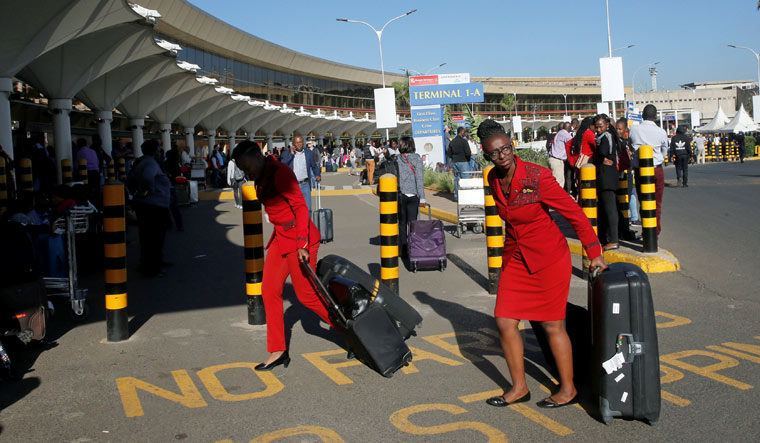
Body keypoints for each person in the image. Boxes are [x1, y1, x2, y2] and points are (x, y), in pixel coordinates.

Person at [476, 119, 607, 409]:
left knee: (552, 325)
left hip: (549, 257)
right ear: (487, 156)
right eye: (495, 153)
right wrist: (504, 263)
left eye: (506, 148)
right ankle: (519, 387)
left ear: (511, 144)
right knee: (504, 321)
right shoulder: (493, 179)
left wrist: (594, 252)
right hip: (517, 259)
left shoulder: (537, 176)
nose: (503, 156)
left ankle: (568, 388)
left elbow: (573, 212)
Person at [231, 140, 337, 370]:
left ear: (258, 157)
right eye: (241, 168)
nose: (245, 172)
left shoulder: (280, 173)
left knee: (306, 295)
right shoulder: (261, 176)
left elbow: (300, 207)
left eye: (246, 166)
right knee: (268, 290)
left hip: (300, 237)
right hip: (281, 237)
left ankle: (348, 331)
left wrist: (302, 243)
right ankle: (278, 350)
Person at [125, 139, 171, 277]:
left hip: (146, 204)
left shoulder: (141, 162)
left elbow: (129, 180)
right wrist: (149, 191)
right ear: (154, 151)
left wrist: (136, 192)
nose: (160, 152)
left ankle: (151, 263)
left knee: (147, 237)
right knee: (154, 238)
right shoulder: (150, 162)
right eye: (158, 149)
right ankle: (152, 268)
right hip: (153, 205)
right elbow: (147, 177)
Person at [630, 104, 668, 235]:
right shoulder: (661, 132)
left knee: (643, 201)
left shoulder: (633, 130)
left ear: (642, 115)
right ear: (656, 117)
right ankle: (654, 232)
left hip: (640, 170)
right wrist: (658, 159)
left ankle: (646, 230)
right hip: (656, 169)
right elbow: (664, 150)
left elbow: (630, 146)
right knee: (656, 203)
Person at [394, 136, 426, 258]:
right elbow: (419, 179)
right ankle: (414, 248)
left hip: (401, 194)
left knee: (401, 223)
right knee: (413, 223)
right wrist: (422, 197)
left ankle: (402, 249)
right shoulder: (417, 158)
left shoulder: (397, 158)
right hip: (413, 195)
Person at [593, 114, 619, 250]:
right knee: (604, 209)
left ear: (607, 125)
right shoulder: (603, 136)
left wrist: (598, 158)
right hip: (605, 176)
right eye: (596, 127)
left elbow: (602, 153)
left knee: (610, 209)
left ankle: (614, 240)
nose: (598, 130)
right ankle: (605, 237)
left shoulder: (606, 137)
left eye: (600, 127)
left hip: (607, 177)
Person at [279, 135, 321, 214]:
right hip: (292, 186)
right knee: (293, 209)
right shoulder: (286, 153)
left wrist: (317, 174)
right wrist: (291, 154)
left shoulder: (308, 153)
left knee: (308, 208)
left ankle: (307, 226)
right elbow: (282, 166)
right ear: (293, 144)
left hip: (305, 184)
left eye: (300, 142)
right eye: (297, 142)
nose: (299, 144)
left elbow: (314, 166)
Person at [447, 127, 472, 200]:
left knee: (457, 180)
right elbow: (468, 153)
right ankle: (465, 197)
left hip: (455, 162)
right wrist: (467, 159)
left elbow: (449, 153)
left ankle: (457, 196)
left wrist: (454, 158)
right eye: (464, 132)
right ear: (461, 132)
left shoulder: (453, 142)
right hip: (463, 162)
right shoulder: (464, 141)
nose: (465, 133)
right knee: (465, 179)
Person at [549, 122, 572, 188]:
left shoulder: (559, 133)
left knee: (554, 182)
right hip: (557, 161)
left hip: (552, 159)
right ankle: (556, 197)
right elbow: (572, 142)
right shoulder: (565, 134)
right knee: (559, 183)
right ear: (569, 128)